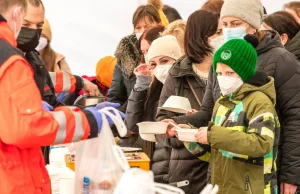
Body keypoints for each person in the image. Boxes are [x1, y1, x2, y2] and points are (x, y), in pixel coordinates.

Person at [165, 0, 300, 193]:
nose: (229, 30)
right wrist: (179, 124)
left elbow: (295, 118)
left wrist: (291, 174)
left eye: (236, 24)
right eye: (225, 24)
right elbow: (208, 111)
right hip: (226, 170)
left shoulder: (281, 59)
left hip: (263, 170)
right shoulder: (221, 60)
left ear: (253, 24)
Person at [0, 0, 119, 193]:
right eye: (27, 24)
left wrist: (78, 84)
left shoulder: (25, 56)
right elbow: (28, 127)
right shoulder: (10, 59)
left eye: (39, 26)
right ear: (16, 14)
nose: (33, 32)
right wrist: (89, 119)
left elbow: (45, 80)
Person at [196, 36, 278, 194]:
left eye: (230, 73)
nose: (223, 78)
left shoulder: (259, 101)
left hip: (251, 188)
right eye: (219, 73)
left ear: (245, 73)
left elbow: (262, 144)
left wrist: (213, 136)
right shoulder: (221, 103)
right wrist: (193, 138)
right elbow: (216, 151)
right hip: (224, 187)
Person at [156, 10, 219, 194]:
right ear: (204, 36)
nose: (223, 37)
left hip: (225, 160)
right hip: (188, 167)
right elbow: (162, 122)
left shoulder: (228, 68)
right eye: (219, 32)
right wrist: (180, 130)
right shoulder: (177, 72)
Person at [125, 35, 182, 184]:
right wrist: (141, 84)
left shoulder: (187, 86)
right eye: (153, 63)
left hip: (179, 169)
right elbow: (132, 124)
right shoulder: (154, 89)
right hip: (155, 164)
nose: (160, 68)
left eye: (164, 61)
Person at [107, 5, 162, 105]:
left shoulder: (170, 50)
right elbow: (115, 96)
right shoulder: (125, 53)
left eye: (147, 26)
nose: (142, 31)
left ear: (159, 25)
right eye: (138, 28)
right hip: (132, 114)